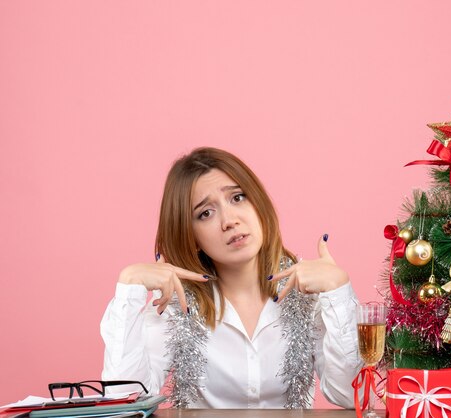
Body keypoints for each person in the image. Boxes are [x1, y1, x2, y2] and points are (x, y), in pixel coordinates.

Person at [100, 147, 362, 409]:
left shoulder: (307, 293)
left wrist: (338, 290)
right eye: (205, 213)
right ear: (191, 237)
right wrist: (129, 286)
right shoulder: (174, 304)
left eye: (237, 198)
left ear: (258, 203)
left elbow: (352, 396)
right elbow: (125, 401)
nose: (229, 220)